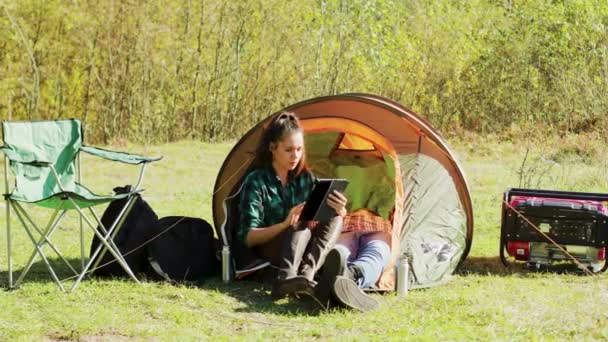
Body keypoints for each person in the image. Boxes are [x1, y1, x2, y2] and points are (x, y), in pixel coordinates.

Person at [238, 111, 348, 298]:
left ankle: (306, 276)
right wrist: (284, 225)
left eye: (299, 149)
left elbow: (325, 218)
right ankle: (286, 277)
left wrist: (340, 210)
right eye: (288, 150)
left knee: (335, 218)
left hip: (304, 245)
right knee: (300, 226)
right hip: (270, 247)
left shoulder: (305, 179)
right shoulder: (256, 181)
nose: (295, 156)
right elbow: (248, 238)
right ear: (273, 148)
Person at [316, 211, 391, 312]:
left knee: (376, 251)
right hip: (345, 229)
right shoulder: (342, 214)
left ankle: (350, 276)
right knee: (339, 252)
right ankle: (344, 280)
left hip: (378, 228)